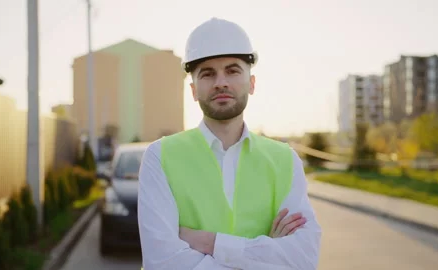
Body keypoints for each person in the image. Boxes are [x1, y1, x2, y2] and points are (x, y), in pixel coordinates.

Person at [137, 17, 322, 270]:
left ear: (252, 83)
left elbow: (303, 259)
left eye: (232, 70)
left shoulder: (285, 160)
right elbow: (163, 262)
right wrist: (264, 254)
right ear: (193, 90)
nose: (220, 82)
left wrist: (211, 243)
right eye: (208, 73)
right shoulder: (160, 157)